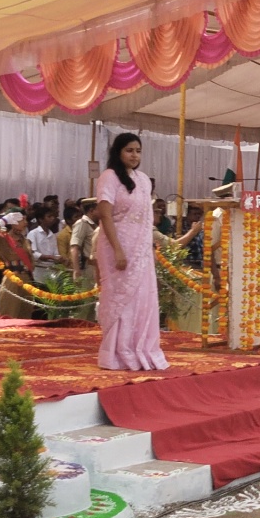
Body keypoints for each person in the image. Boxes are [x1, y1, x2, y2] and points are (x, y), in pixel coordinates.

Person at [93, 133, 167, 371]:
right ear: (118, 152)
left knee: (142, 300)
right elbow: (105, 215)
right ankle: (115, 353)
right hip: (116, 247)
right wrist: (118, 250)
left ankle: (141, 349)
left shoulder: (144, 180)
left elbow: (146, 219)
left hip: (141, 250)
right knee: (119, 300)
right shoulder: (109, 177)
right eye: (129, 150)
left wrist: (146, 251)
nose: (134, 155)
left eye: (138, 151)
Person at [0, 212, 35, 318]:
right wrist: (4, 220)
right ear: (13, 223)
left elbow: (32, 263)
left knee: (26, 314)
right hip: (12, 279)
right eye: (22, 220)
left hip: (27, 279)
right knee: (9, 314)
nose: (26, 223)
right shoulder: (4, 239)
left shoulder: (25, 241)